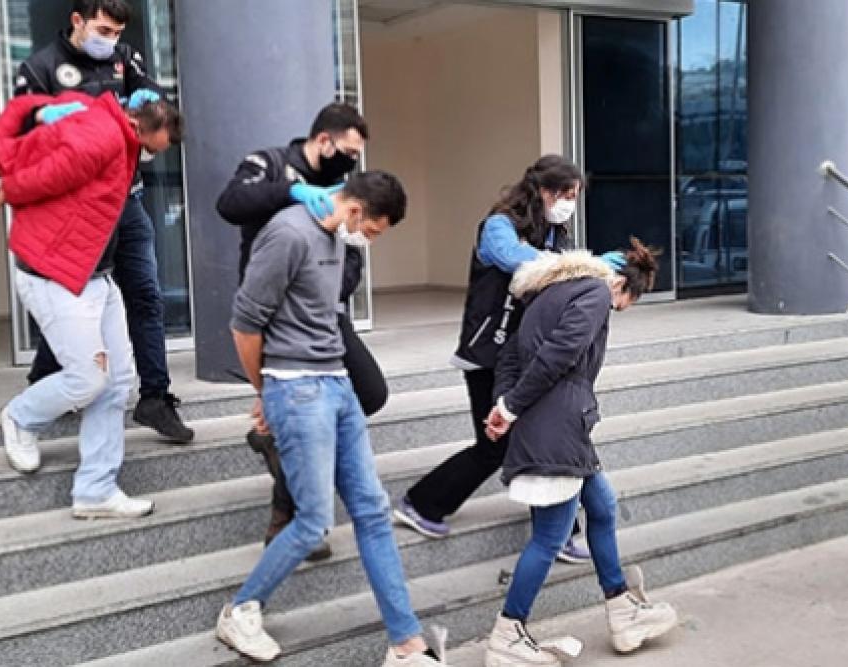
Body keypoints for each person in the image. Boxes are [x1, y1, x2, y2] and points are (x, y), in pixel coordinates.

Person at [217, 172, 444, 666]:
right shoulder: (288, 233)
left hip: (336, 383)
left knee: (373, 512)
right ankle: (240, 610)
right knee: (313, 520)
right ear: (356, 210)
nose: (370, 240)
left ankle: (406, 643)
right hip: (296, 389)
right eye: (373, 231)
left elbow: (321, 317)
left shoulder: (336, 237)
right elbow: (244, 324)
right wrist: (266, 391)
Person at [0, 91, 182, 519]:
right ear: (142, 126)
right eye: (156, 147)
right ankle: (21, 417)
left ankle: (96, 490)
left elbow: (22, 110)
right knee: (87, 379)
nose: (155, 156)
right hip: (55, 276)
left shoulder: (100, 120)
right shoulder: (105, 135)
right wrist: (4, 186)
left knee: (117, 381)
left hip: (95, 276)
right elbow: (52, 173)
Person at [394, 155, 623, 563]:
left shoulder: (554, 237)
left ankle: (558, 532)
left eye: (575, 197)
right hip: (488, 354)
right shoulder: (498, 227)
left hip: (522, 356)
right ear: (543, 191)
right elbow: (520, 261)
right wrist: (583, 266)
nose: (569, 204)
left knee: (533, 438)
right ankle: (423, 503)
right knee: (496, 445)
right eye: (566, 195)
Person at [0, 0, 194, 443]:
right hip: (76, 211)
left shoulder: (124, 58)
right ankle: (44, 385)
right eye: (104, 30)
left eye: (118, 32)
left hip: (126, 200)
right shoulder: (42, 68)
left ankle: (155, 398)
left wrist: (150, 102)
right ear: (77, 21)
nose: (111, 40)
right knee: (73, 295)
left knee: (145, 295)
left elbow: (152, 102)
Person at [482, 239, 677, 665]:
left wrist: (504, 405)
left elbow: (509, 359)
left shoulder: (545, 295)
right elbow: (562, 353)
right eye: (624, 304)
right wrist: (509, 408)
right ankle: (507, 635)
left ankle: (622, 609)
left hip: (558, 426)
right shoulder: (594, 292)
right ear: (620, 285)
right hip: (557, 429)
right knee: (550, 537)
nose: (616, 310)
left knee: (602, 506)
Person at [216, 102, 385, 562]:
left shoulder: (344, 192)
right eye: (348, 152)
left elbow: (351, 260)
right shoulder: (269, 164)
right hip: (277, 312)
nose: (351, 162)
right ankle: (286, 518)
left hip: (324, 312)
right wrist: (293, 192)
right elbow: (230, 204)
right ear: (324, 140)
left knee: (369, 392)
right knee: (297, 405)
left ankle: (279, 447)